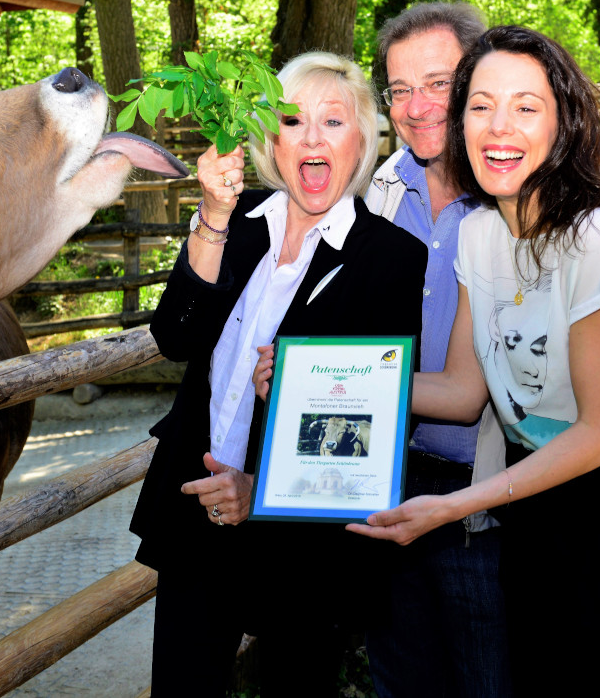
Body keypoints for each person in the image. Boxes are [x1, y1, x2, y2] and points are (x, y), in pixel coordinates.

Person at [360, 2, 600, 698]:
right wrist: (330, 377)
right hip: (530, 536)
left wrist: (452, 507)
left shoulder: (598, 230)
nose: (498, 125)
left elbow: (598, 433)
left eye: (524, 108)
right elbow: (462, 390)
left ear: (562, 121)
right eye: (482, 106)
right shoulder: (478, 232)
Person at [129, 52, 427, 698]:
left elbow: (371, 427)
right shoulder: (236, 222)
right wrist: (209, 215)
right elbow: (173, 336)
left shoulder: (394, 259)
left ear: (363, 141)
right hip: (194, 517)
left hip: (302, 550)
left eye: (334, 122)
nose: (313, 138)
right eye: (293, 121)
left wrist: (257, 485)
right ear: (271, 138)